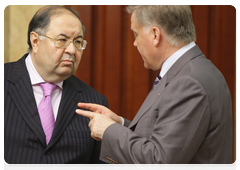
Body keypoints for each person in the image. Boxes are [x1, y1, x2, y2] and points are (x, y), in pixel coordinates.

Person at [76, 5, 233, 170]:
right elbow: (171, 138)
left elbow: (159, 161)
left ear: (155, 35)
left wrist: (109, 130)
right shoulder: (194, 70)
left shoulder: (188, 82)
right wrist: (120, 124)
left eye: (136, 34)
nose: (134, 43)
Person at [4, 5, 113, 170]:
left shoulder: (94, 102)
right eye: (62, 40)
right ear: (35, 41)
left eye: (77, 42)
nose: (71, 50)